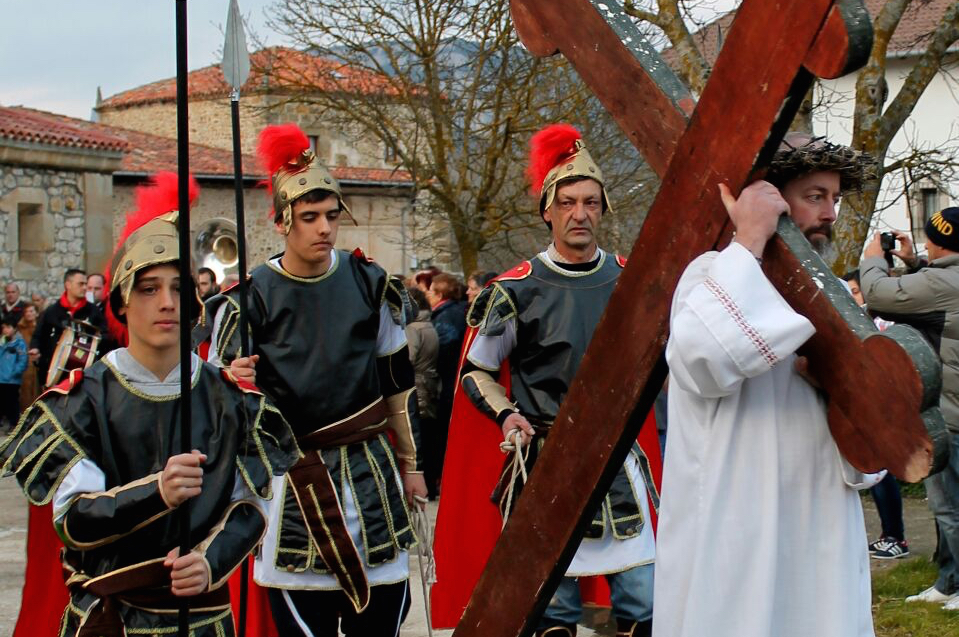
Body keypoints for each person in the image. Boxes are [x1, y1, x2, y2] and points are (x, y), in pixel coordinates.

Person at [0, 171, 299, 637]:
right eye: (149, 288)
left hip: (202, 620)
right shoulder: (82, 400)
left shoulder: (231, 400)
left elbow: (251, 507)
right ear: (122, 301)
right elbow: (73, 522)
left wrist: (209, 562)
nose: (167, 302)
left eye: (180, 288)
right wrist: (156, 492)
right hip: (109, 620)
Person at [654, 133, 879, 637]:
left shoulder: (837, 297)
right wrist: (749, 239)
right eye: (814, 196)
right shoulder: (712, 275)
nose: (830, 214)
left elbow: (879, 442)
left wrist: (839, 385)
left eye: (835, 199)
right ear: (769, 200)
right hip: (738, 521)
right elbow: (701, 359)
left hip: (821, 522)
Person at [206, 123, 426, 636]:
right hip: (293, 480)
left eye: (331, 215)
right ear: (283, 222)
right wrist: (230, 382)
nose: (324, 228)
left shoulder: (371, 284)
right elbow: (214, 406)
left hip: (370, 472)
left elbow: (398, 383)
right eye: (310, 217)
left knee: (384, 617)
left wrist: (413, 465)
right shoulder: (248, 299)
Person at [456, 124, 659, 637]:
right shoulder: (515, 291)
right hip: (544, 467)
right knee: (554, 612)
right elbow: (475, 371)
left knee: (646, 602)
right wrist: (507, 413)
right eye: (568, 202)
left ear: (603, 208)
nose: (580, 214)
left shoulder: (628, 279)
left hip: (617, 462)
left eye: (590, 202)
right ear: (548, 209)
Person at [859, 208, 959, 608]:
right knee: (946, 505)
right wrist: (915, 263)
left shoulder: (943, 281)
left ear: (939, 240)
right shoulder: (946, 277)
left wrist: (872, 260)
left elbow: (879, 296)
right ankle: (949, 581)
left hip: (950, 412)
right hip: (951, 406)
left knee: (948, 506)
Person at [840, 269, 908, 560]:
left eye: (856, 292)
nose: (854, 298)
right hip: (868, 406)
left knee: (881, 473)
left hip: (886, 407)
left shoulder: (881, 322)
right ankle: (888, 534)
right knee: (875, 472)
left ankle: (896, 537)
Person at [29, 268, 107, 388]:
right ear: (68, 285)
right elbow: (38, 336)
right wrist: (35, 349)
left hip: (84, 376)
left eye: (86, 284)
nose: (85, 288)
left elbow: (106, 336)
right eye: (81, 284)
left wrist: (96, 341)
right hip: (53, 375)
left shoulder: (93, 311)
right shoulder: (51, 311)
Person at [426, 272, 466, 498]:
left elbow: (441, 351)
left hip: (447, 385)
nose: (428, 295)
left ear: (440, 294)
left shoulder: (446, 318)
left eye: (431, 291)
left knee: (441, 437)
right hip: (450, 383)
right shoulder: (453, 313)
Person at [406, 287, 441, 498]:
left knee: (418, 438)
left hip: (417, 385)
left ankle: (424, 483)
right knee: (429, 437)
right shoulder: (428, 325)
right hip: (429, 384)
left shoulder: (413, 328)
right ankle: (430, 482)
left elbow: (407, 358)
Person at [0, 316, 27, 429]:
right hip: (1, 378)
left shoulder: (20, 344)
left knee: (12, 402)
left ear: (14, 329)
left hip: (12, 380)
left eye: (8, 327)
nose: (6, 330)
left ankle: (14, 423)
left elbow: (23, 361)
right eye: (4, 328)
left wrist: (15, 372)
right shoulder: (2, 343)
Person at [16, 303, 40, 411]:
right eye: (26, 312)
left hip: (38, 361)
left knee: (37, 388)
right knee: (25, 389)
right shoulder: (20, 328)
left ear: (36, 313)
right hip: (24, 361)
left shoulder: (41, 327)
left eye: (31, 311)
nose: (29, 314)